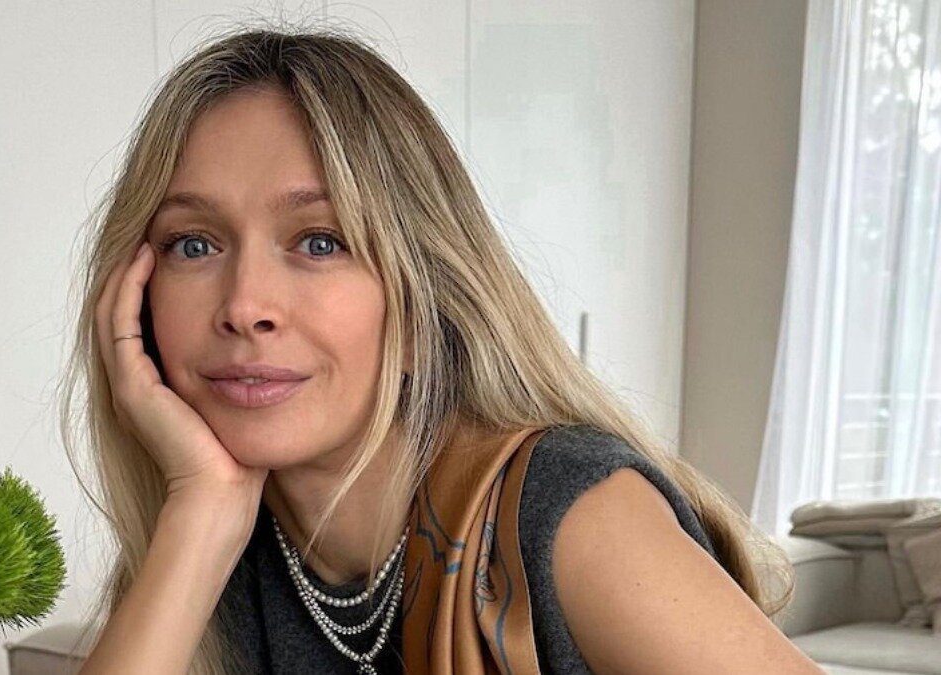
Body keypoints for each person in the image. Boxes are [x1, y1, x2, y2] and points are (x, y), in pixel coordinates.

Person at [58, 25, 823, 674]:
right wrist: (201, 513)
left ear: (422, 297)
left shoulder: (566, 514)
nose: (244, 306)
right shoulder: (213, 545)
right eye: (194, 243)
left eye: (319, 241)